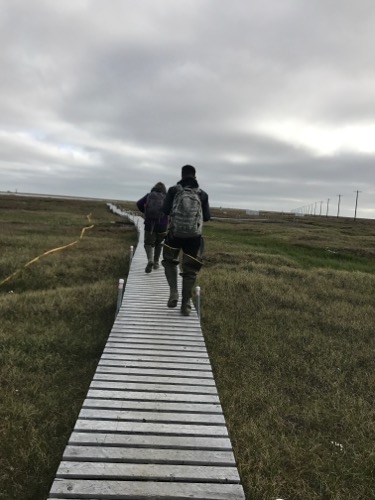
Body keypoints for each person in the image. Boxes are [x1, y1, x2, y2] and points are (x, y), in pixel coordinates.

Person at [162, 165, 210, 316]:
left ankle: (174, 292)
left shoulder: (173, 190)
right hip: (194, 238)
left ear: (181, 175)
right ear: (195, 176)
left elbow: (164, 210)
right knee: (190, 271)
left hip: (174, 235)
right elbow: (207, 217)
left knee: (169, 261)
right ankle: (186, 305)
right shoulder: (202, 194)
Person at [136, 182, 168, 273]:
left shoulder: (149, 196)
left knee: (148, 244)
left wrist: (145, 211)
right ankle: (156, 263)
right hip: (162, 225)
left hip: (150, 225)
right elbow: (170, 209)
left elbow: (138, 203)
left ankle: (150, 260)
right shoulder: (166, 197)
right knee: (159, 243)